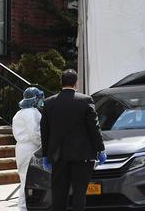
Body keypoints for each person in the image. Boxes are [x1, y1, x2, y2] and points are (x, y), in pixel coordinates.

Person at [40, 69, 106, 211]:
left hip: (58, 156)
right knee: (79, 193)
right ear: (76, 83)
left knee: (59, 194)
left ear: (61, 83)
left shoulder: (49, 103)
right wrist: (100, 149)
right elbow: (94, 128)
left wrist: (45, 155)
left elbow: (44, 132)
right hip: (82, 155)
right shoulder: (85, 100)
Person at [12, 86, 44, 211]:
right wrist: (43, 144)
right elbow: (34, 133)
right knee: (26, 180)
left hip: (21, 148)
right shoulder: (31, 113)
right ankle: (23, 207)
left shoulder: (19, 113)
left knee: (24, 178)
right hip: (30, 147)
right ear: (34, 99)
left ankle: (23, 207)